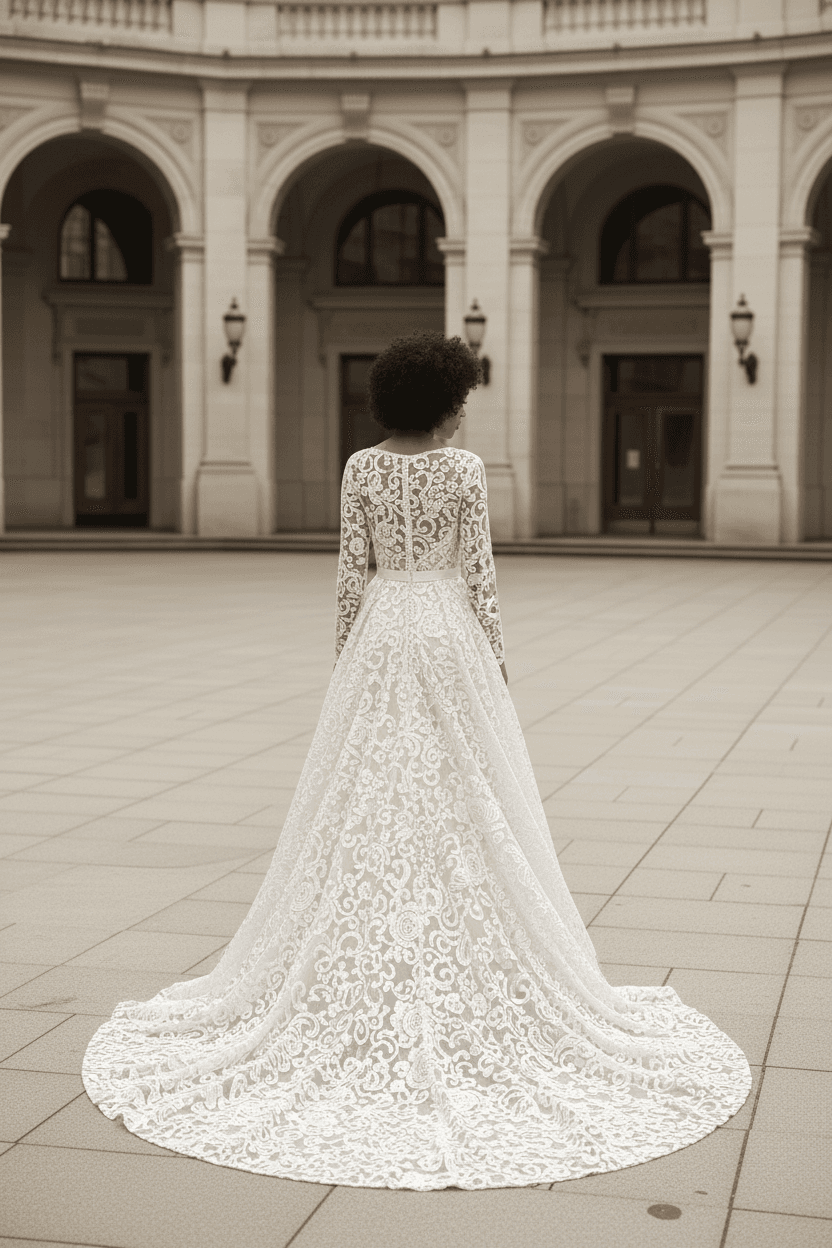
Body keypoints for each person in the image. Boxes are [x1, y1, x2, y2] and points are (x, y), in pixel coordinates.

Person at [83, 331, 750, 1190]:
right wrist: (497, 663)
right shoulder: (465, 472)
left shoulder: (360, 469)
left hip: (382, 633)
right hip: (445, 633)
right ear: (447, 400)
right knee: (468, 788)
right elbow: (480, 577)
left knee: (364, 790)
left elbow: (349, 577)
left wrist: (346, 664)